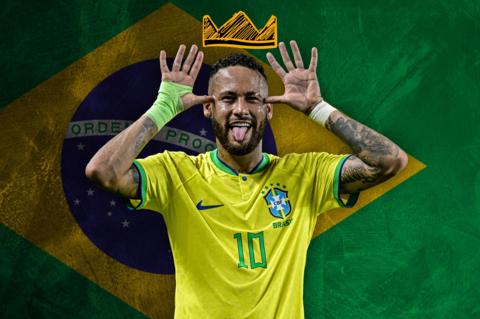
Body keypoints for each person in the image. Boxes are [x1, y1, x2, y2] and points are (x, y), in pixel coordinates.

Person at [85, 41, 408, 319]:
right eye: (228, 98)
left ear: (268, 110)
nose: (240, 109)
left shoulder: (306, 176)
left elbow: (389, 161)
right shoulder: (176, 172)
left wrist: (318, 108)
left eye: (253, 99)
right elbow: (104, 172)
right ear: (208, 108)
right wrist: (162, 109)